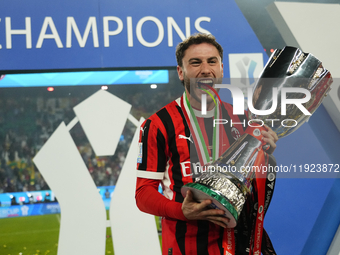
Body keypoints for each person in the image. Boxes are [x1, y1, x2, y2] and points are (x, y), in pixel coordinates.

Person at [135, 33, 278, 255]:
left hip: (239, 243)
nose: (205, 69)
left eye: (212, 61)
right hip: (187, 244)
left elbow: (252, 181)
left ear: (221, 69)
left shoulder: (243, 118)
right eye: (195, 62)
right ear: (181, 72)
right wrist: (183, 211)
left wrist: (264, 154)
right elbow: (143, 194)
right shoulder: (158, 124)